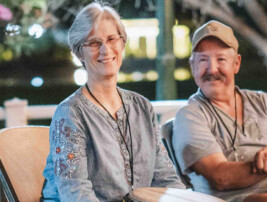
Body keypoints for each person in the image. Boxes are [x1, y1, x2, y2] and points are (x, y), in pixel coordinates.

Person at [41, 2, 185, 201]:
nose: (105, 50)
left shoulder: (142, 107)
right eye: (94, 43)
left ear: (122, 44)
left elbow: (166, 179)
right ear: (78, 52)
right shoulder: (70, 113)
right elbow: (75, 192)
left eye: (111, 39)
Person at [172, 20, 267, 202]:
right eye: (203, 60)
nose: (212, 69)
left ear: (236, 64)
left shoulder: (266, 102)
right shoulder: (189, 116)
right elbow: (219, 177)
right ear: (192, 66)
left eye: (221, 59)